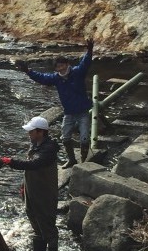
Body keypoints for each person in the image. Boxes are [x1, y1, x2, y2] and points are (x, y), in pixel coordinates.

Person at [16, 39, 94, 168]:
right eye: (58, 67)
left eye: (62, 65)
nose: (61, 68)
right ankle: (72, 160)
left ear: (67, 64)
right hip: (69, 113)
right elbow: (42, 78)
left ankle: (83, 162)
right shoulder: (56, 78)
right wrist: (28, 71)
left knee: (84, 138)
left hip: (82, 112)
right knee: (65, 138)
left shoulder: (77, 72)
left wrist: (90, 50)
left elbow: (85, 63)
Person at [0, 116, 60, 251]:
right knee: (36, 224)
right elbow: (30, 170)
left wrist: (12, 162)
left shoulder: (49, 149)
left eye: (31, 131)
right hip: (31, 192)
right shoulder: (35, 144)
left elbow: (34, 164)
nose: (29, 134)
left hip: (44, 194)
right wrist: (23, 186)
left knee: (48, 227)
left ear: (40, 132)